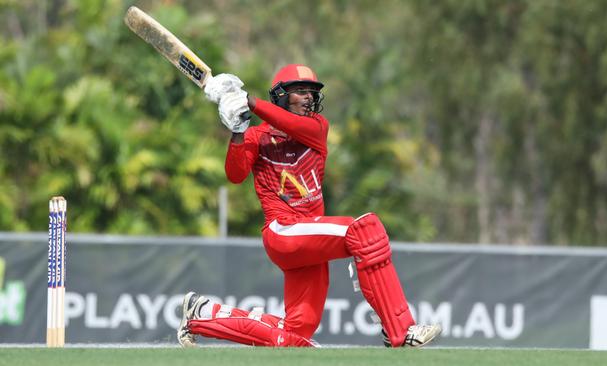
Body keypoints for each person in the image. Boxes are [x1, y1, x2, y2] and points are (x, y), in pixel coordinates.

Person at [176, 64, 442, 348]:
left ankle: (202, 315)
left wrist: (249, 101)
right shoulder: (257, 137)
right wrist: (238, 130)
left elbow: (290, 125)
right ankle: (401, 331)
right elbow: (235, 174)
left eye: (311, 92)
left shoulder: (316, 128)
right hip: (282, 231)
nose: (308, 98)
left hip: (307, 243)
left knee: (296, 335)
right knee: (366, 229)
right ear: (280, 96)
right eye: (299, 91)